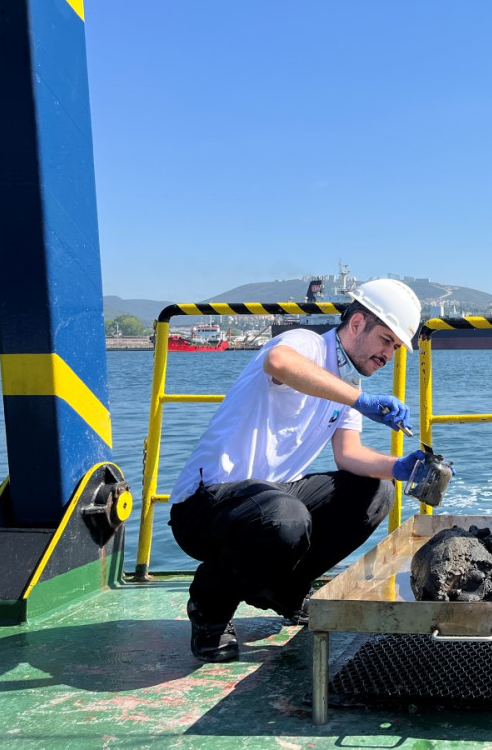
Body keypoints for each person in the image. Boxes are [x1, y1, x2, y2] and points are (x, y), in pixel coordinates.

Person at [167, 278, 430, 662]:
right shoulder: (307, 345)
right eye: (386, 340)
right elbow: (279, 364)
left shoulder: (348, 382)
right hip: (205, 505)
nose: (388, 354)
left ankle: (284, 591)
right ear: (356, 324)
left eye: (394, 347)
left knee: (377, 491)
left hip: (268, 498)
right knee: (283, 517)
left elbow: (349, 455)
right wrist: (361, 400)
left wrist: (401, 468)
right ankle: (209, 609)